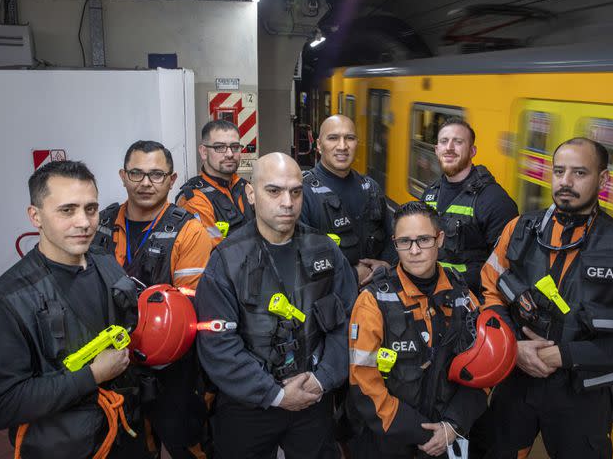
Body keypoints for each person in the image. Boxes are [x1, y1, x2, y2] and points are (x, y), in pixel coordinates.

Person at [481, 137, 613, 458]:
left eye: (579, 173)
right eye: (558, 171)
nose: (565, 182)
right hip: (515, 380)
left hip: (580, 397)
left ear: (603, 180)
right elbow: (488, 290)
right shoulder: (519, 229)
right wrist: (513, 345)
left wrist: (562, 355)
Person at [0, 161, 150, 458]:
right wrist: (91, 375)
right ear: (36, 216)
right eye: (67, 210)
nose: (83, 222)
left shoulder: (106, 263)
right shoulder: (5, 302)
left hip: (125, 435)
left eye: (91, 209)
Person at [195, 152, 357, 458]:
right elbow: (217, 345)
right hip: (248, 406)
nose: (287, 202)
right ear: (251, 194)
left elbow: (348, 322)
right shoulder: (226, 260)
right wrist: (275, 394)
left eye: (296, 192)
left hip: (313, 397)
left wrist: (323, 380)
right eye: (274, 191)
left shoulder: (325, 250)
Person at [91, 140, 212, 458]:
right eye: (137, 173)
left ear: (172, 180)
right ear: (123, 176)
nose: (146, 182)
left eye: (157, 174)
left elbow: (189, 308)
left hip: (170, 366)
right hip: (110, 365)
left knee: (184, 442)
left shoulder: (189, 231)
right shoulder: (100, 225)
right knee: (129, 446)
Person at [346, 201, 488, 458]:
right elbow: (363, 381)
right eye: (404, 241)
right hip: (387, 440)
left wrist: (453, 425)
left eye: (423, 240)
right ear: (394, 242)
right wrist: (422, 433)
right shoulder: (373, 301)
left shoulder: (464, 299)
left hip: (446, 435)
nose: (414, 250)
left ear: (440, 239)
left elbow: (483, 372)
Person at [421, 117, 518, 298]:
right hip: (429, 295)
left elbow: (505, 269)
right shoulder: (430, 193)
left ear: (472, 151)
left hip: (468, 303)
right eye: (444, 141)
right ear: (436, 150)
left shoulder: (494, 201)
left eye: (458, 142)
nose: (449, 147)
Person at [301, 114, 397, 287]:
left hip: (374, 297)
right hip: (330, 303)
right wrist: (352, 275)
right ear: (319, 145)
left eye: (350, 138)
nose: (342, 146)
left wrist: (385, 266)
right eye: (333, 138)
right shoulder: (303, 193)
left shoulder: (371, 188)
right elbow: (301, 263)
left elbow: (391, 241)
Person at [176, 120, 254, 247]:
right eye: (219, 147)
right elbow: (215, 253)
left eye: (235, 147)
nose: (229, 154)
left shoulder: (245, 186)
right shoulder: (194, 199)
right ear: (204, 152)